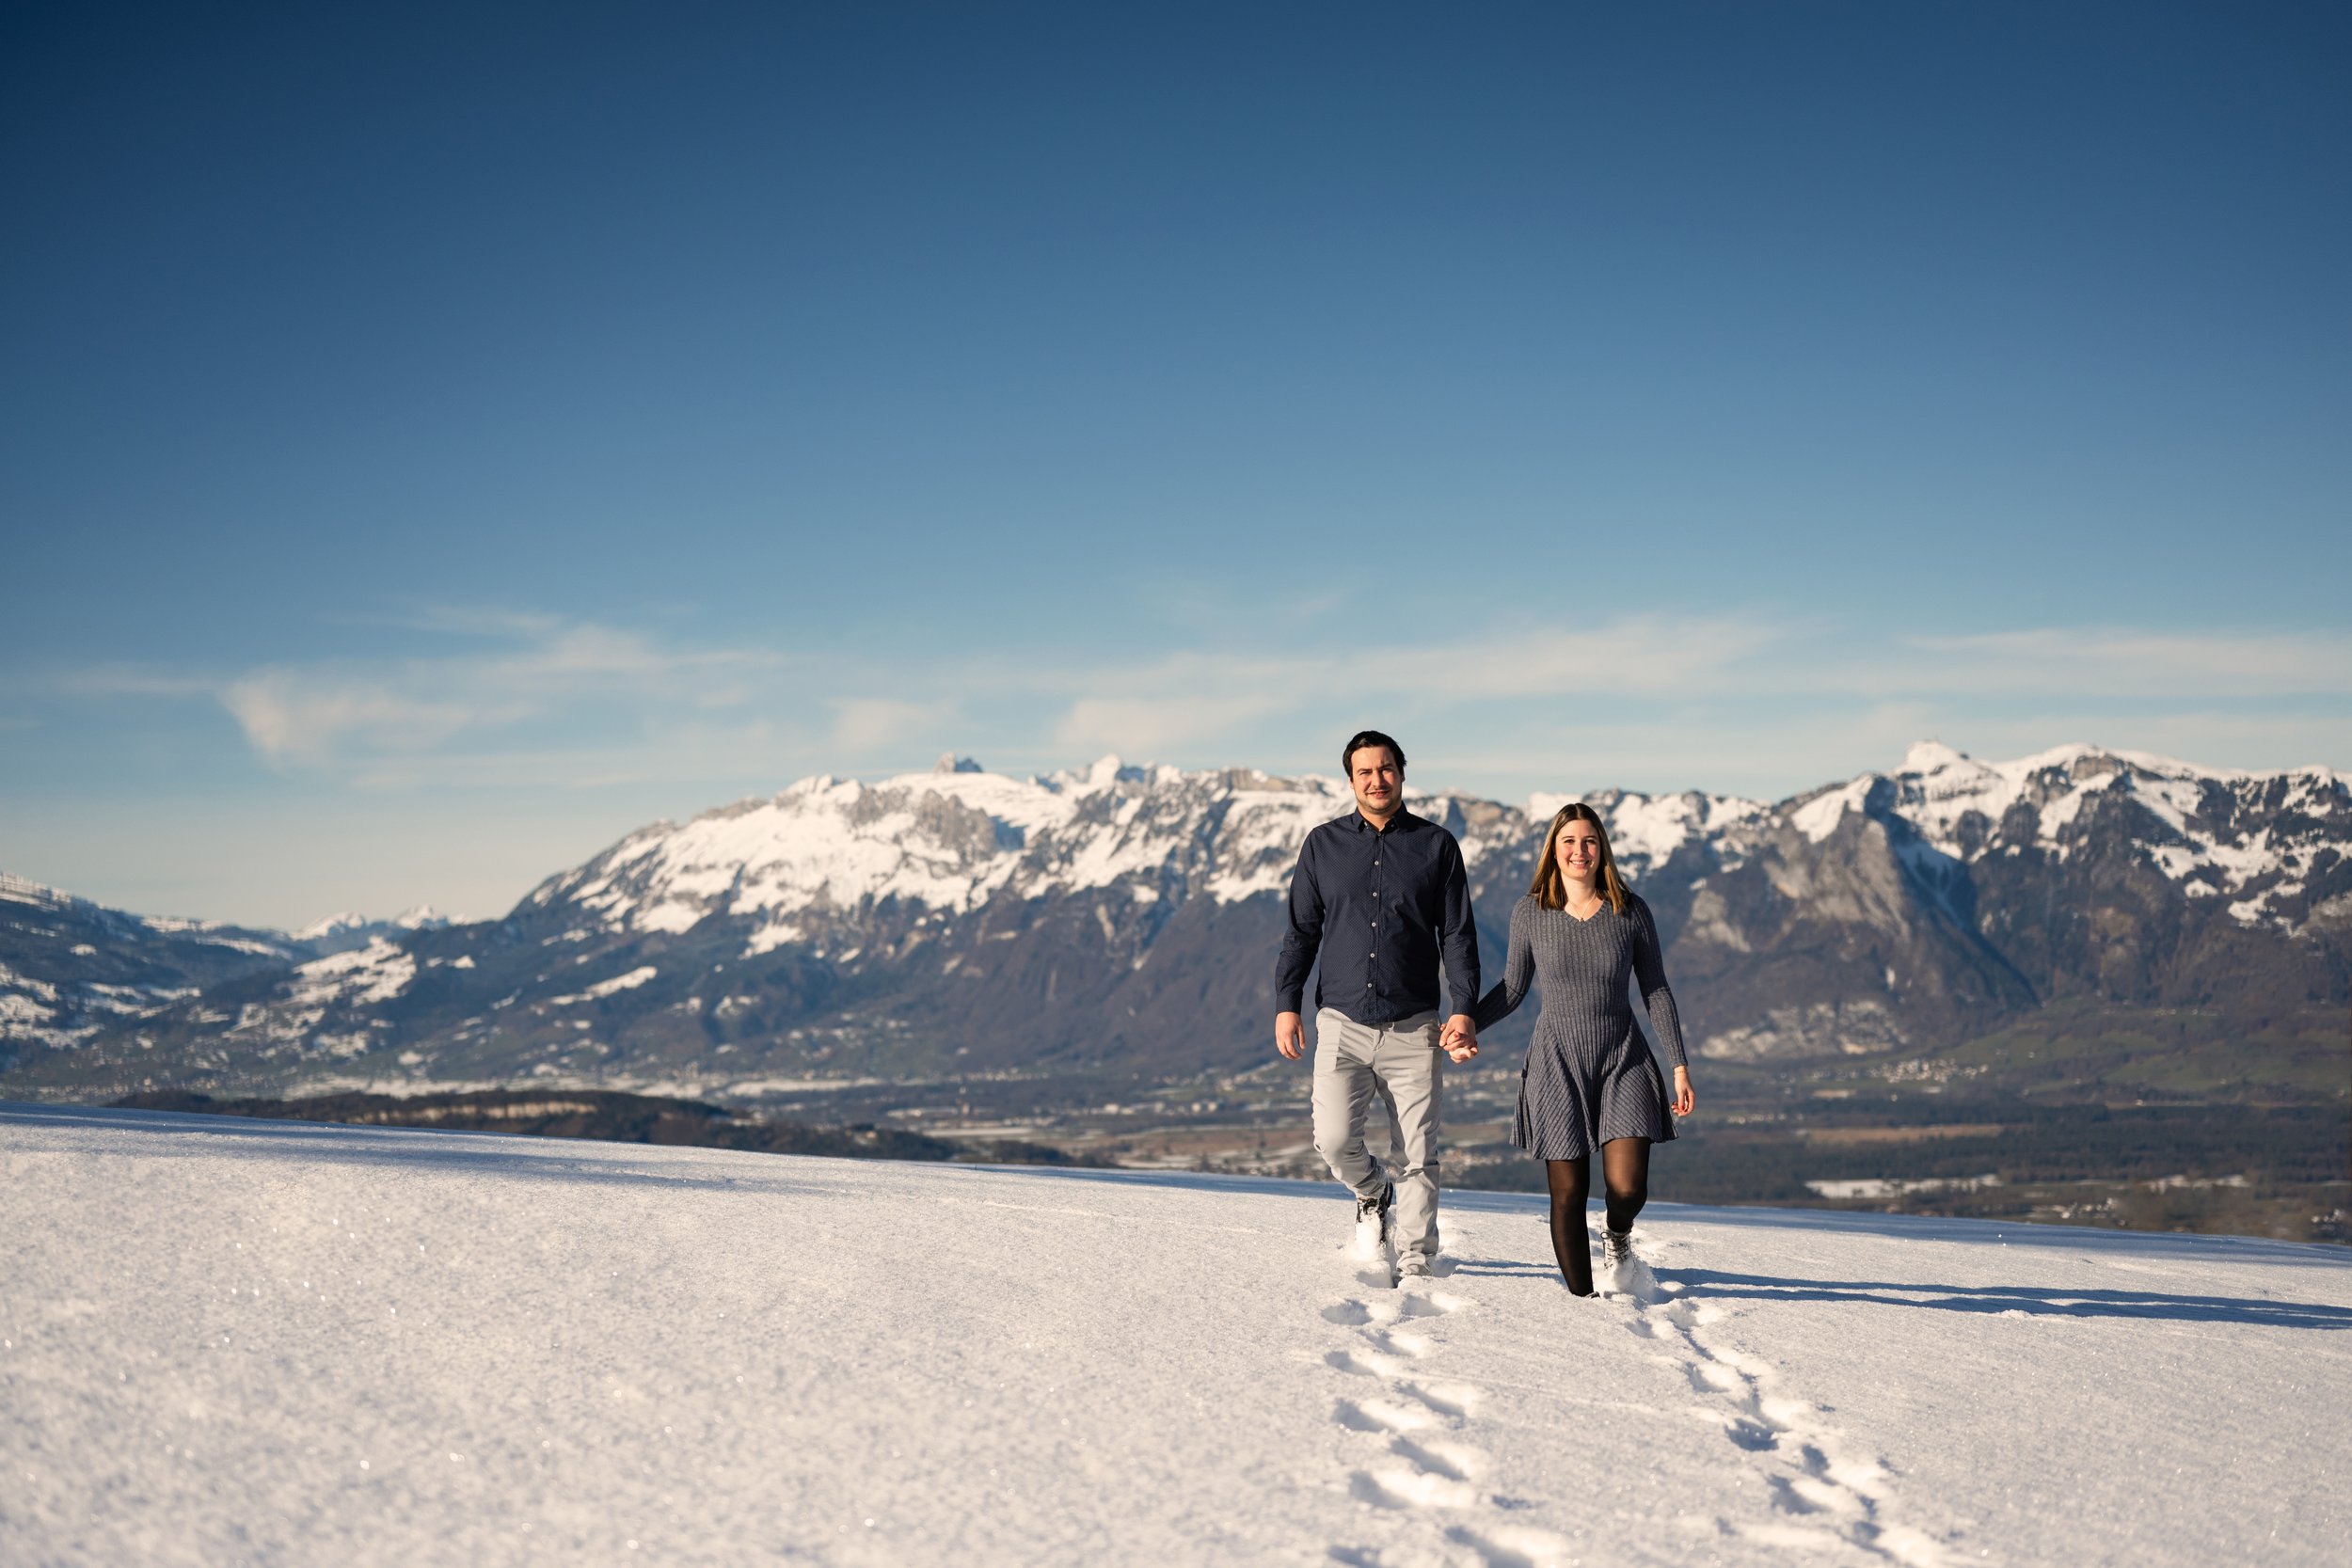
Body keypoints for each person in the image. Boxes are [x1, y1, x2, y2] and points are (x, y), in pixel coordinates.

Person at [1276, 730, 1482, 1283]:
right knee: (1334, 1139)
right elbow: (1301, 932)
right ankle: (1373, 1193)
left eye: (1386, 768)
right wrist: (1286, 1002)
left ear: (1402, 773)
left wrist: (1463, 1007)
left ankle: (1417, 1259)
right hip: (1341, 1021)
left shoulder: (1437, 846)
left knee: (1418, 1152)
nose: (1377, 779)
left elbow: (1458, 936)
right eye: (1365, 771)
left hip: (1414, 1024)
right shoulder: (1322, 845)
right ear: (1351, 781)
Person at [1467, 801, 1694, 1296]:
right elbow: (1512, 988)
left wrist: (1677, 1063)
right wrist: (1469, 1025)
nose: (1579, 851)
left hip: (1624, 1058)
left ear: (1602, 849)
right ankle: (1582, 1300)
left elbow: (1655, 988)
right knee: (1568, 1192)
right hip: (1557, 1063)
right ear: (1554, 848)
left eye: (1589, 841)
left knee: (1627, 1188)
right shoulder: (1531, 912)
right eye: (1568, 841)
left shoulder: (1630, 910)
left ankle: (1617, 1234)